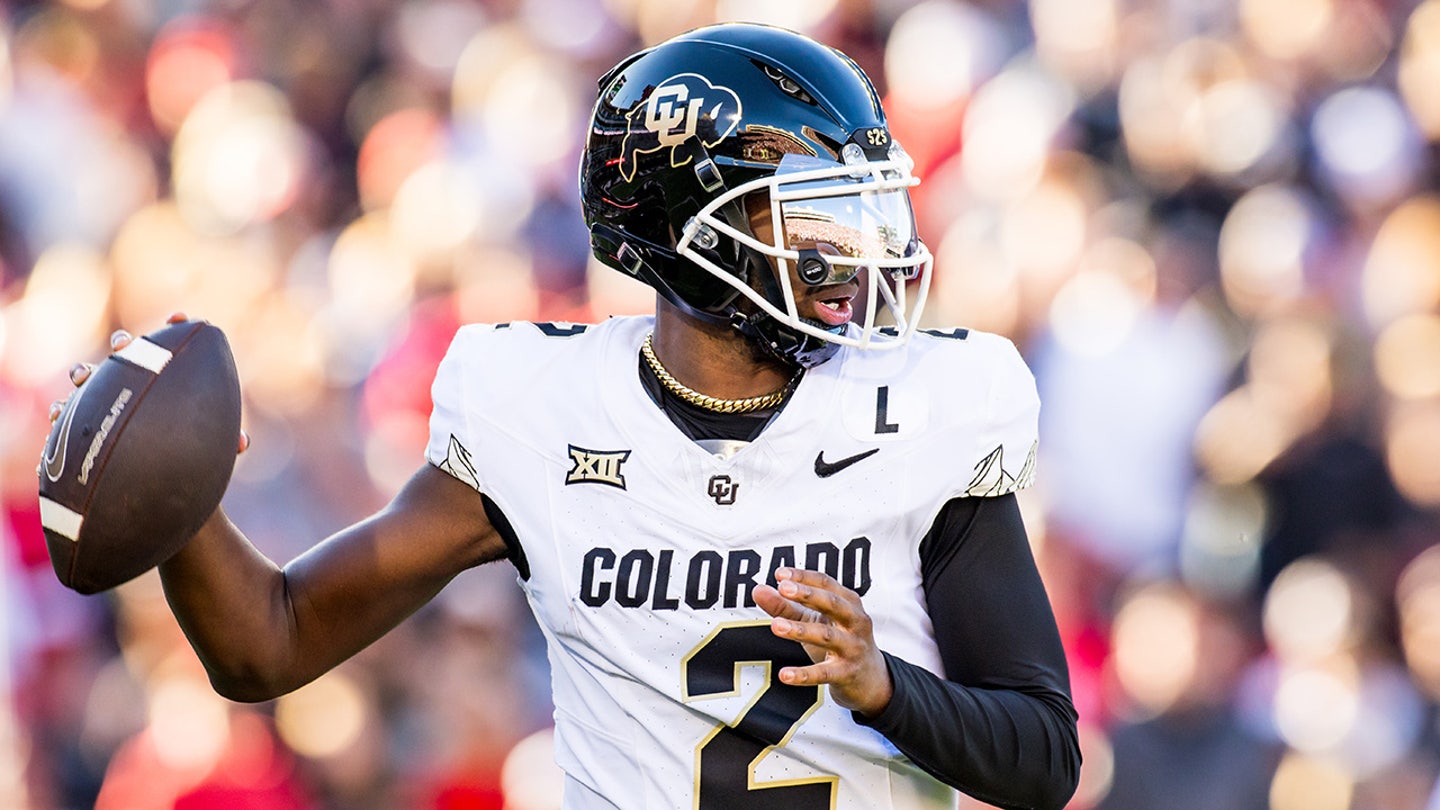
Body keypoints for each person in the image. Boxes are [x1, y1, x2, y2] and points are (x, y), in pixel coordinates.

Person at [56, 23, 1080, 810]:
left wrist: (884, 687)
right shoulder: (541, 413)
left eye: (861, 211)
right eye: (814, 213)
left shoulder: (923, 413)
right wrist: (177, 490)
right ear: (692, 232)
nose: (854, 252)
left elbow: (1043, 759)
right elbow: (269, 645)